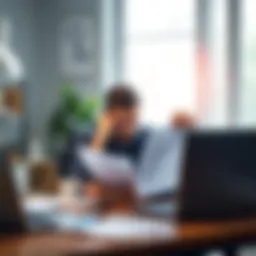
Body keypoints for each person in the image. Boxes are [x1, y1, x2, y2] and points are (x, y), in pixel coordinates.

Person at [75, 83, 149, 181]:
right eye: (124, 121)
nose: (130, 128)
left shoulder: (143, 138)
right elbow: (78, 178)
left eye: (134, 120)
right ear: (108, 116)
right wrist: (99, 138)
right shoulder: (84, 136)